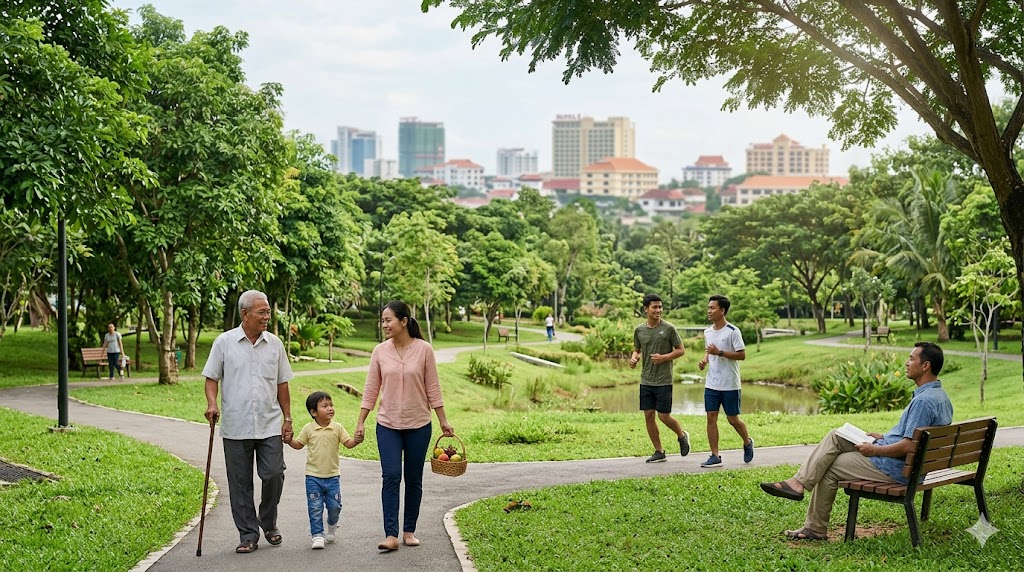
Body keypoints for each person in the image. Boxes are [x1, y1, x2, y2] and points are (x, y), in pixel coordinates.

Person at [759, 342, 953, 541]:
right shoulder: (940, 397)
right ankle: (798, 484)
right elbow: (914, 439)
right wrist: (883, 438)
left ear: (925, 366)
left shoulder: (923, 402)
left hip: (897, 469)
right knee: (836, 435)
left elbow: (908, 446)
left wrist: (875, 450)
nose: (906, 363)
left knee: (828, 466)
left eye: (911, 359)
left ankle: (814, 526)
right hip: (914, 467)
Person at [355, 300, 454, 552]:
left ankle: (409, 531)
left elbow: (433, 387)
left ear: (404, 321)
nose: (384, 324)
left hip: (419, 424)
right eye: (383, 320)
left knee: (413, 478)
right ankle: (391, 535)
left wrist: (443, 420)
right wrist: (361, 421)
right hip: (387, 424)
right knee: (390, 476)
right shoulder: (380, 351)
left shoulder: (424, 350)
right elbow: (371, 388)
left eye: (388, 320)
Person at [202, 289, 294, 554]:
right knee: (240, 482)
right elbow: (211, 378)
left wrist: (288, 418)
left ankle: (268, 521)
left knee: (274, 473)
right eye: (261, 312)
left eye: (268, 312)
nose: (267, 317)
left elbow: (282, 384)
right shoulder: (224, 342)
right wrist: (212, 403)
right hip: (236, 424)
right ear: (244, 314)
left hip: (269, 423)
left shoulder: (275, 344)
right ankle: (248, 534)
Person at [286, 391, 363, 550]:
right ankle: (317, 535)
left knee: (335, 506)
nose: (330, 408)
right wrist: (289, 440)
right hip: (313, 477)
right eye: (325, 406)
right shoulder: (308, 429)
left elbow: (348, 444)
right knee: (315, 507)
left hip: (333, 477)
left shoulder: (337, 428)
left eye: (331, 405)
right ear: (313, 412)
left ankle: (332, 525)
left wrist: (356, 440)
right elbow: (298, 445)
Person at [629, 293, 690, 463]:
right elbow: (637, 350)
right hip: (646, 379)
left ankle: (682, 435)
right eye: (654, 307)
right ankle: (659, 451)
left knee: (664, 416)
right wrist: (634, 358)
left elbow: (681, 350)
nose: (658, 310)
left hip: (664, 380)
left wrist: (664, 357)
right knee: (649, 415)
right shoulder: (639, 330)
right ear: (646, 309)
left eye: (660, 307)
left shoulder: (669, 328)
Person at [697, 295, 753, 467]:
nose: (709, 311)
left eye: (712, 308)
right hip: (712, 383)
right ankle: (715, 455)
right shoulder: (708, 332)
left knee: (733, 419)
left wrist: (719, 353)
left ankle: (747, 442)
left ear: (722, 310)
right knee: (711, 418)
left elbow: (741, 355)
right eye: (708, 307)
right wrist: (705, 360)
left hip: (730, 384)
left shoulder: (733, 331)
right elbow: (709, 351)